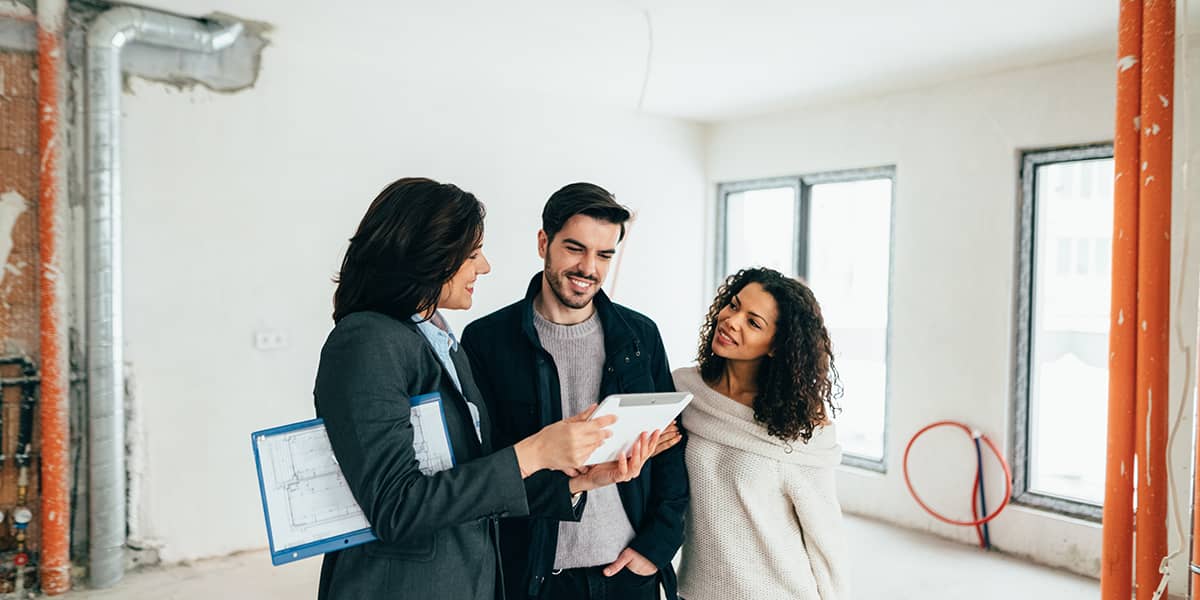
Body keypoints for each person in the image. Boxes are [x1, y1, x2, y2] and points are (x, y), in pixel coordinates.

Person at [313, 177, 646, 600]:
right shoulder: (366, 341)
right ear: (428, 257)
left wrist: (580, 481)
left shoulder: (438, 341)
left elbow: (468, 481)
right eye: (472, 254)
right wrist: (535, 451)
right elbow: (396, 506)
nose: (484, 266)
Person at [462, 182, 689, 600]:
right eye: (575, 248)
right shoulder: (486, 341)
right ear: (543, 242)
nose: (589, 268)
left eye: (604, 255)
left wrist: (654, 548)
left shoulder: (640, 336)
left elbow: (671, 451)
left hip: (626, 574)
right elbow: (484, 466)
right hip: (534, 576)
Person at [672, 267, 848, 600]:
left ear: (776, 346)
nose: (731, 321)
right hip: (696, 590)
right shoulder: (683, 391)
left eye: (753, 323)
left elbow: (825, 537)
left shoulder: (800, 426)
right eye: (733, 305)